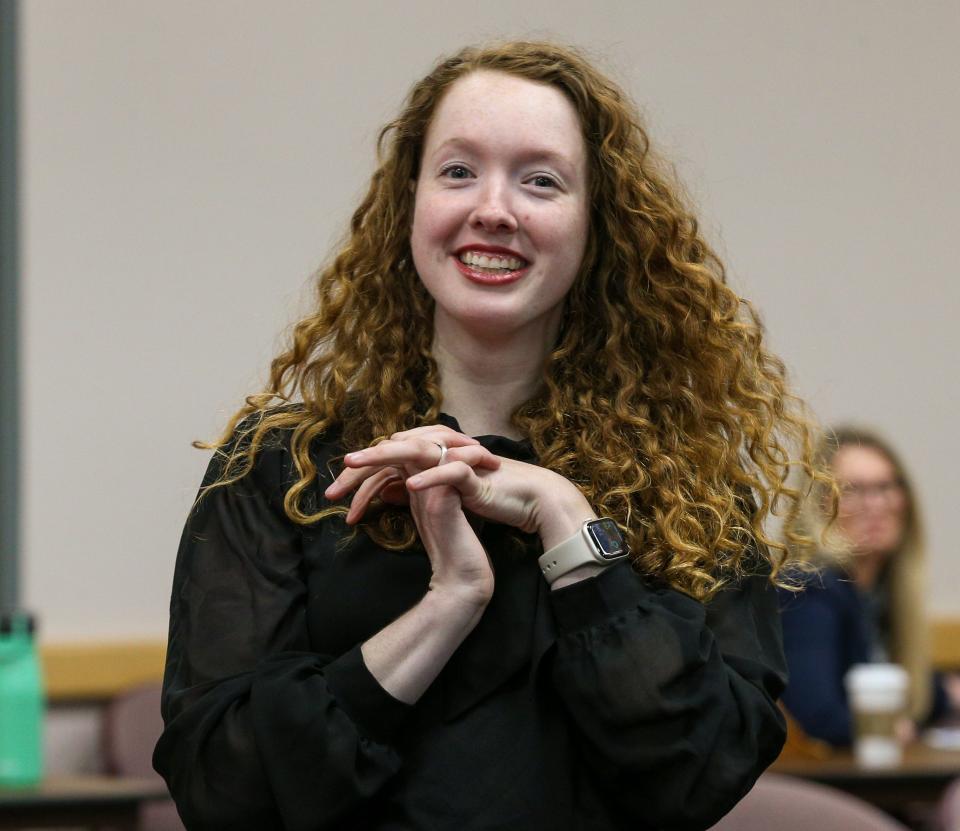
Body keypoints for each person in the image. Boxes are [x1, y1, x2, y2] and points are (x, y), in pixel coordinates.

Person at [153, 41, 825, 830]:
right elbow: (222, 791)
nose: (494, 209)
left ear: (596, 225)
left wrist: (565, 519)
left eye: (541, 180)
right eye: (459, 171)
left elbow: (697, 773)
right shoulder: (285, 467)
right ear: (411, 203)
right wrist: (448, 604)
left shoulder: (689, 483)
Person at [780, 426, 956, 747]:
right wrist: (888, 726)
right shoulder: (808, 590)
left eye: (886, 486)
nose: (875, 503)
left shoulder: (876, 594)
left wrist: (947, 694)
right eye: (852, 489)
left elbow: (910, 690)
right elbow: (816, 716)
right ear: (818, 504)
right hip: (822, 782)